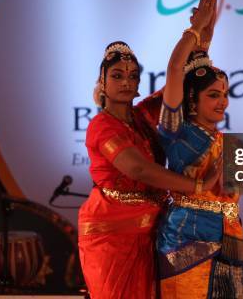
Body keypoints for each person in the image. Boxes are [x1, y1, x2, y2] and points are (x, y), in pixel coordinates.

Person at [78, 41, 219, 299]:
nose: (125, 82)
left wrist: (201, 34)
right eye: (117, 76)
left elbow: (179, 78)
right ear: (103, 82)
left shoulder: (141, 117)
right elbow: (137, 168)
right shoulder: (102, 126)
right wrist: (197, 186)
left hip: (152, 229)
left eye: (133, 76)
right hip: (113, 236)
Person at [156, 0, 243, 298]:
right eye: (213, 95)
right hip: (187, 242)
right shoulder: (177, 130)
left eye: (225, 95)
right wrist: (195, 31)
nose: (222, 101)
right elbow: (174, 70)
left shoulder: (226, 142)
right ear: (193, 101)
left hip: (230, 240)